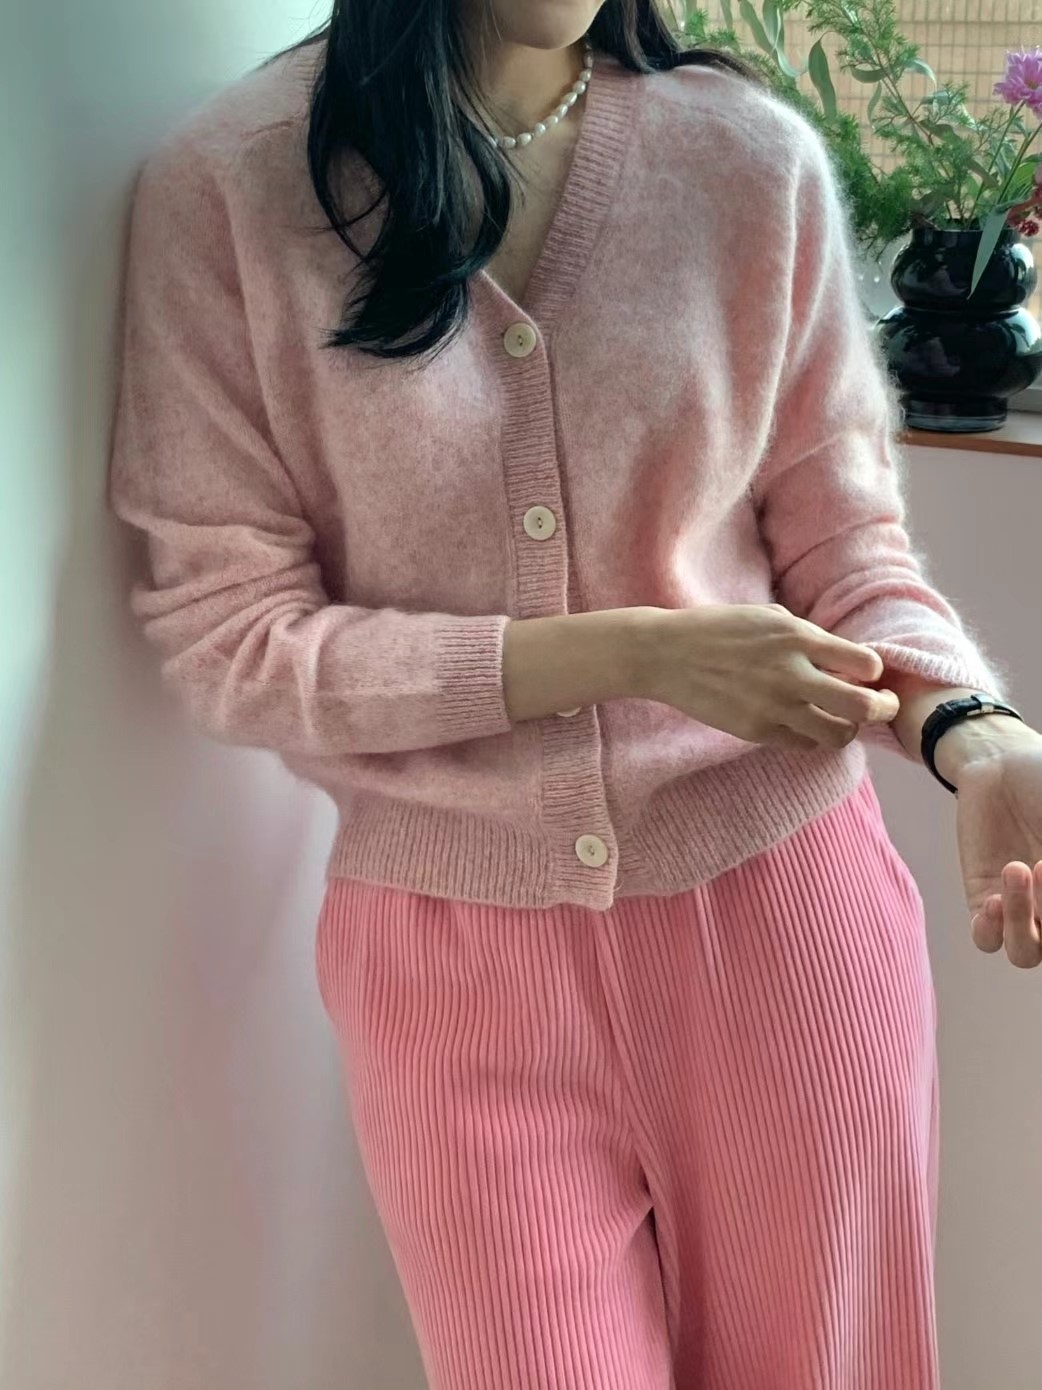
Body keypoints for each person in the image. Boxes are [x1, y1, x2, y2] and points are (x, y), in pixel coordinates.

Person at [107, 2, 1042, 1386]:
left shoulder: (749, 160)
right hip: (449, 972)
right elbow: (231, 640)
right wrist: (629, 652)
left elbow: (848, 556)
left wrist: (976, 729)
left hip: (785, 930)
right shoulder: (235, 187)